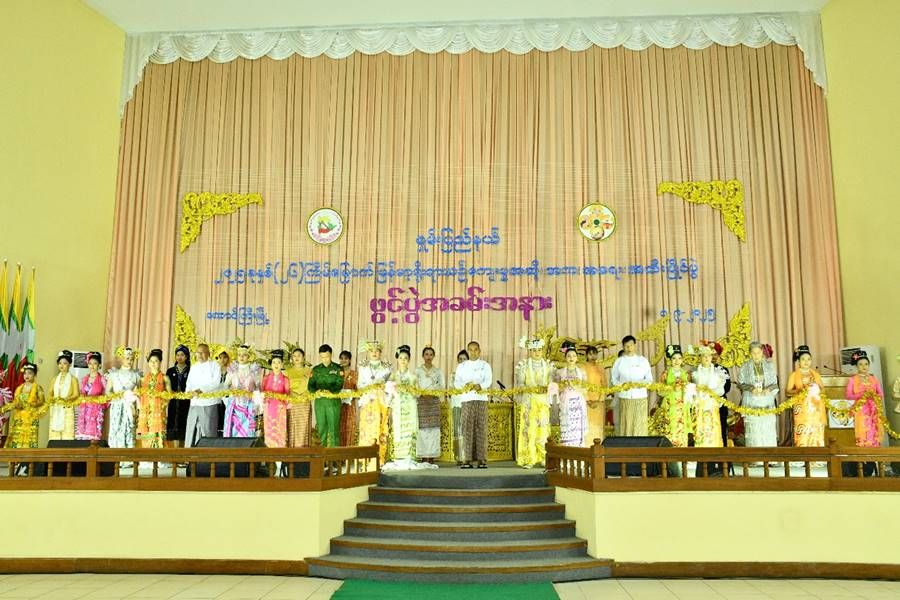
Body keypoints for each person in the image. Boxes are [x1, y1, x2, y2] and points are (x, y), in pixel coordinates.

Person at [514, 336, 553, 467]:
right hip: (529, 401)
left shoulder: (548, 365)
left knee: (543, 430)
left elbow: (552, 384)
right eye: (534, 350)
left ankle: (543, 457)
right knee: (529, 430)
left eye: (539, 350)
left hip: (542, 402)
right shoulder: (523, 365)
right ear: (530, 351)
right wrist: (529, 389)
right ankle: (528, 458)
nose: (537, 353)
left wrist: (546, 388)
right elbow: (520, 384)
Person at [453, 341, 493, 469]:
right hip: (467, 400)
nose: (473, 352)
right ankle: (467, 459)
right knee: (467, 429)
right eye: (470, 350)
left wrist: (480, 386)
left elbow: (488, 380)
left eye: (476, 349)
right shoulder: (462, 366)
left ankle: (482, 459)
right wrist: (464, 386)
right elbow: (456, 382)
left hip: (481, 399)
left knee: (481, 428)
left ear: (479, 351)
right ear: (468, 351)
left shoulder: (485, 365)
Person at [736, 342, 779, 447]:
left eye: (758, 353)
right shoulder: (745, 367)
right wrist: (751, 389)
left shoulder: (769, 366)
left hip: (766, 401)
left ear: (762, 352)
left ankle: (770, 453)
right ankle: (754, 454)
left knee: (767, 429)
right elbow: (740, 384)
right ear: (750, 353)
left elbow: (775, 384)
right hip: (751, 401)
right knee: (754, 430)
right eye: (753, 353)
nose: (756, 355)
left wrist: (768, 389)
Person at [357, 340, 393, 462]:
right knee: (366, 428)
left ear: (380, 352)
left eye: (377, 351)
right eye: (371, 351)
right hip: (367, 400)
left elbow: (390, 385)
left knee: (380, 427)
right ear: (368, 352)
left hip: (381, 400)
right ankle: (365, 458)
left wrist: (381, 388)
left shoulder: (387, 367)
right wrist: (369, 388)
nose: (374, 353)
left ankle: (380, 458)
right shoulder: (363, 366)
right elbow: (360, 384)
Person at [610, 336, 653, 436]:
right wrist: (622, 385)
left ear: (635, 345)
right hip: (625, 398)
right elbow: (614, 379)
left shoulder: (643, 361)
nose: (629, 348)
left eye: (631, 345)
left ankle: (640, 444)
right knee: (626, 424)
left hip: (640, 398)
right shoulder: (619, 361)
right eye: (626, 346)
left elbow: (649, 379)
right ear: (623, 347)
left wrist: (640, 384)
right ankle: (626, 444)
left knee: (639, 425)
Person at [384, 345, 419, 467]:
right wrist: (388, 406)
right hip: (398, 406)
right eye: (401, 358)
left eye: (405, 358)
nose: (403, 360)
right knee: (399, 430)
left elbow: (418, 394)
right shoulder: (393, 376)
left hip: (410, 406)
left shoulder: (413, 376)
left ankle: (410, 456)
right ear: (397, 360)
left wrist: (411, 390)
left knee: (410, 430)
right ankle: (399, 457)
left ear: (409, 360)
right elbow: (388, 394)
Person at [184, 343, 224, 447]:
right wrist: (188, 392)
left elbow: (215, 383)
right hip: (194, 403)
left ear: (208, 354)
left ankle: (209, 455)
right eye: (198, 353)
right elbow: (189, 382)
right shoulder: (194, 366)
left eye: (202, 353)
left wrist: (200, 390)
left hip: (208, 403)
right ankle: (190, 454)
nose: (200, 355)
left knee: (208, 431)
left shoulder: (215, 365)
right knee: (192, 429)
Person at [787, 345, 826, 448]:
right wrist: (800, 390)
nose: (806, 361)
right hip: (802, 409)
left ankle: (818, 454)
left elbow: (823, 389)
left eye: (809, 359)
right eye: (803, 359)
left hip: (815, 408)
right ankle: (802, 453)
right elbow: (788, 392)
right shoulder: (794, 375)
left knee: (815, 431)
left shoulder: (815, 374)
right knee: (803, 433)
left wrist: (816, 392)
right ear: (799, 361)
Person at [654, 344, 692, 447]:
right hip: (669, 405)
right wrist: (671, 388)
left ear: (682, 360)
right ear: (670, 360)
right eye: (674, 358)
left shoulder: (686, 374)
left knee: (682, 428)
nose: (676, 361)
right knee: (670, 428)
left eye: (679, 358)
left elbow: (690, 391)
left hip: (682, 406)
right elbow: (660, 391)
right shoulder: (665, 374)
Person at [845, 350, 884, 448]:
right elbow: (848, 396)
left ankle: (875, 453)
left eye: (866, 364)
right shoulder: (852, 380)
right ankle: (863, 454)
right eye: (861, 364)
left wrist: (873, 395)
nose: (864, 367)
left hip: (873, 410)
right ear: (856, 366)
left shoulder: (874, 379)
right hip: (861, 409)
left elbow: (880, 394)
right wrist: (861, 394)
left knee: (874, 431)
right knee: (863, 431)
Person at [308, 344, 344, 447]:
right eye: (322, 357)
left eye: (327, 357)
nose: (324, 359)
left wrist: (330, 391)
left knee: (334, 429)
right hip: (320, 402)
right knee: (321, 428)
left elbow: (339, 384)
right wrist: (316, 392)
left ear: (331, 355)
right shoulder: (316, 370)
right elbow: (310, 386)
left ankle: (334, 454)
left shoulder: (338, 368)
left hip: (333, 402)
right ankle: (321, 454)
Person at [690, 343, 727, 447]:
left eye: (709, 356)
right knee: (701, 428)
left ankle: (714, 451)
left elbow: (721, 390)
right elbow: (692, 390)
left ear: (712, 357)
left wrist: (711, 392)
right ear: (700, 358)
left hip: (712, 404)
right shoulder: (695, 374)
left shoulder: (718, 374)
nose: (706, 358)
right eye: (704, 356)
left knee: (713, 427)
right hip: (700, 405)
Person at [106, 346, 141, 451]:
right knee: (116, 429)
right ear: (121, 359)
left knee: (129, 430)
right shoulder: (113, 374)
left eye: (132, 359)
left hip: (130, 407)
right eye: (127, 358)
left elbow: (139, 392)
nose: (129, 361)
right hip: (117, 407)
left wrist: (132, 396)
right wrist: (118, 396)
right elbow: (108, 392)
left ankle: (128, 455)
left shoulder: (136, 375)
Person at [554, 343, 589, 447]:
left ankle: (579, 452)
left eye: (573, 356)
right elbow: (556, 389)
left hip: (578, 404)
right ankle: (567, 453)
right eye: (569, 356)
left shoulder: (582, 372)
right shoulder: (559, 372)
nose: (571, 358)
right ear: (565, 358)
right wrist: (563, 386)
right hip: (566, 404)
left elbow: (585, 389)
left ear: (577, 358)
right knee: (567, 429)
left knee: (578, 431)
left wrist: (576, 387)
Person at [5, 363, 46, 449]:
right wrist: (16, 405)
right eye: (25, 373)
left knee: (30, 438)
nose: (27, 375)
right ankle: (16, 456)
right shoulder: (19, 388)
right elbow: (16, 401)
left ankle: (28, 457)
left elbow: (42, 401)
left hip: (31, 416)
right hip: (19, 417)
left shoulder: (37, 387)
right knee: (17, 437)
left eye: (30, 373)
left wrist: (34, 403)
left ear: (34, 375)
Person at [224, 344, 261, 438]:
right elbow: (225, 386)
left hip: (249, 406)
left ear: (249, 356)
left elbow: (258, 388)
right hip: (235, 405)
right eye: (239, 355)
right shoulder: (233, 369)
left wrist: (256, 404)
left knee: (247, 432)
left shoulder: (254, 370)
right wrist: (230, 393)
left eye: (244, 355)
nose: (241, 357)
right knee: (233, 431)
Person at [415, 346, 445, 462]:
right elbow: (414, 386)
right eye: (426, 354)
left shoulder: (438, 371)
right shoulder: (418, 371)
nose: (428, 357)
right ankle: (423, 455)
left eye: (431, 354)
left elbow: (441, 386)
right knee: (423, 429)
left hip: (433, 402)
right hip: (422, 401)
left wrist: (433, 393)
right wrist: (422, 394)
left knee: (433, 429)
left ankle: (431, 455)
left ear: (434, 356)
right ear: (423, 356)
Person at [137, 349, 172, 448]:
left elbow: (169, 395)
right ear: (148, 363)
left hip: (158, 410)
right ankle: (146, 454)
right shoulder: (142, 379)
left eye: (156, 361)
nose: (153, 363)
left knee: (158, 434)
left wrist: (163, 404)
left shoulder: (165, 378)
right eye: (151, 361)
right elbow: (139, 395)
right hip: (145, 411)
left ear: (160, 362)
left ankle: (159, 454)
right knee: (146, 434)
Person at [262, 349, 291, 455]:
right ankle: (269, 454)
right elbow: (262, 393)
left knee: (280, 431)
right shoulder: (265, 378)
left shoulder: (285, 379)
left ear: (282, 364)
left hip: (280, 410)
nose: (276, 365)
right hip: (269, 409)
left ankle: (280, 456)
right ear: (271, 364)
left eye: (279, 362)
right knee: (269, 430)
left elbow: (288, 396)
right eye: (274, 362)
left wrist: (283, 400)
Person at [47, 350, 79, 441]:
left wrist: (66, 399)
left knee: (67, 435)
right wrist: (54, 399)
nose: (61, 365)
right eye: (60, 363)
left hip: (67, 409)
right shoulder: (54, 379)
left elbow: (76, 394)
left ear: (69, 364)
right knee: (54, 436)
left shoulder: (73, 379)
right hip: (56, 409)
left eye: (65, 363)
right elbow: (49, 394)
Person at [285, 347, 313, 447]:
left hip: (304, 402)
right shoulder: (287, 371)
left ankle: (304, 451)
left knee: (303, 427)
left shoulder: (309, 371)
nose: (296, 358)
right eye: (294, 356)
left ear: (303, 357)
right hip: (292, 402)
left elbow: (312, 386)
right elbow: (285, 388)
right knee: (292, 426)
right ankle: (292, 451)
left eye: (299, 356)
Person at [76, 351, 107, 441]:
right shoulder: (84, 379)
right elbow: (81, 394)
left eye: (95, 363)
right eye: (90, 363)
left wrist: (100, 404)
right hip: (84, 411)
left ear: (99, 365)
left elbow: (107, 396)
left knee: (93, 440)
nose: (92, 366)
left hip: (95, 412)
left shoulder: (102, 379)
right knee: (81, 439)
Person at [165, 345, 191, 446]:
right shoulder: (170, 371)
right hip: (173, 402)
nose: (179, 357)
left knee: (184, 424)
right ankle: (175, 451)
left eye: (182, 355)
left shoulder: (190, 370)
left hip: (186, 402)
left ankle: (183, 450)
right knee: (173, 424)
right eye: (177, 355)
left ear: (186, 356)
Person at [582, 346, 607, 444]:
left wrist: (599, 400)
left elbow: (604, 385)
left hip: (599, 403)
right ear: (586, 356)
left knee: (598, 426)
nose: (593, 356)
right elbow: (581, 385)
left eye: (595, 354)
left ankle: (599, 448)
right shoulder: (582, 368)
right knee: (587, 426)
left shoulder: (601, 368)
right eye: (590, 354)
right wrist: (587, 400)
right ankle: (587, 447)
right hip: (586, 402)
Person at [450, 349, 469, 464]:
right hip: (457, 403)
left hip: (468, 403)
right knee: (457, 429)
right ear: (457, 360)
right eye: (460, 359)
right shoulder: (453, 375)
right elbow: (451, 388)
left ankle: (468, 456)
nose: (462, 361)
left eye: (464, 359)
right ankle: (459, 456)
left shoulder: (472, 375)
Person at [338, 350, 358, 446]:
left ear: (350, 360)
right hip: (337, 404)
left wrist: (351, 393)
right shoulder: (336, 373)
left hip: (350, 405)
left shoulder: (354, 374)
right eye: (341, 358)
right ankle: (338, 452)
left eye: (346, 358)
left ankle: (349, 451)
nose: (343, 360)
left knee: (349, 426)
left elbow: (359, 391)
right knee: (338, 426)